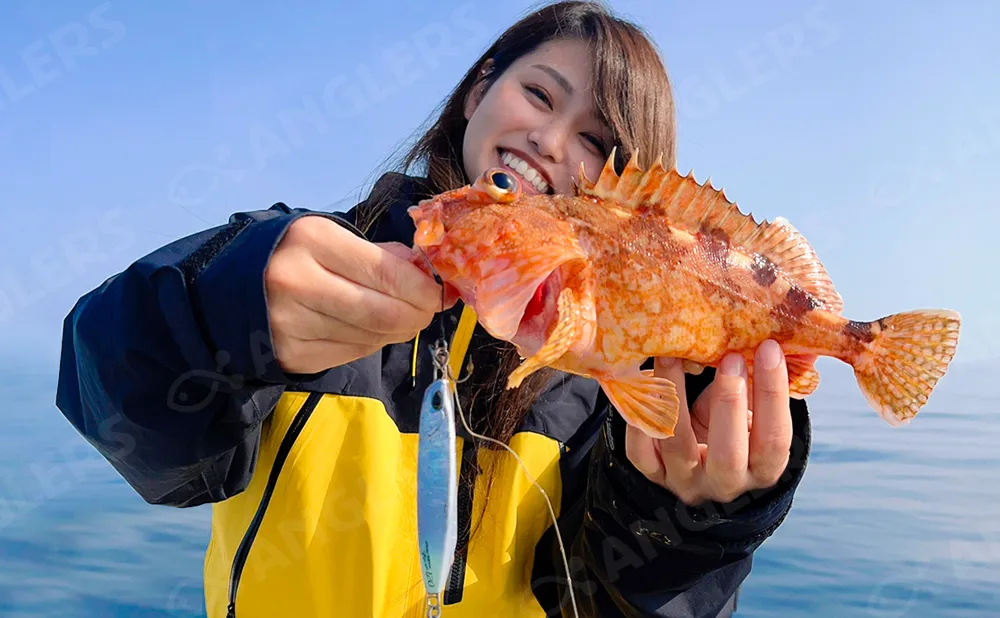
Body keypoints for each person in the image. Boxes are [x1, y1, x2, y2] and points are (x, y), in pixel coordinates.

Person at [55, 2, 811, 617]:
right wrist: (224, 318)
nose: (549, 140)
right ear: (479, 90)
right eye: (539, 95)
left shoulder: (614, 382)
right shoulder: (296, 260)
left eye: (595, 140)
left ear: (621, 186)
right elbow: (132, 419)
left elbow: (594, 600)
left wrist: (688, 521)